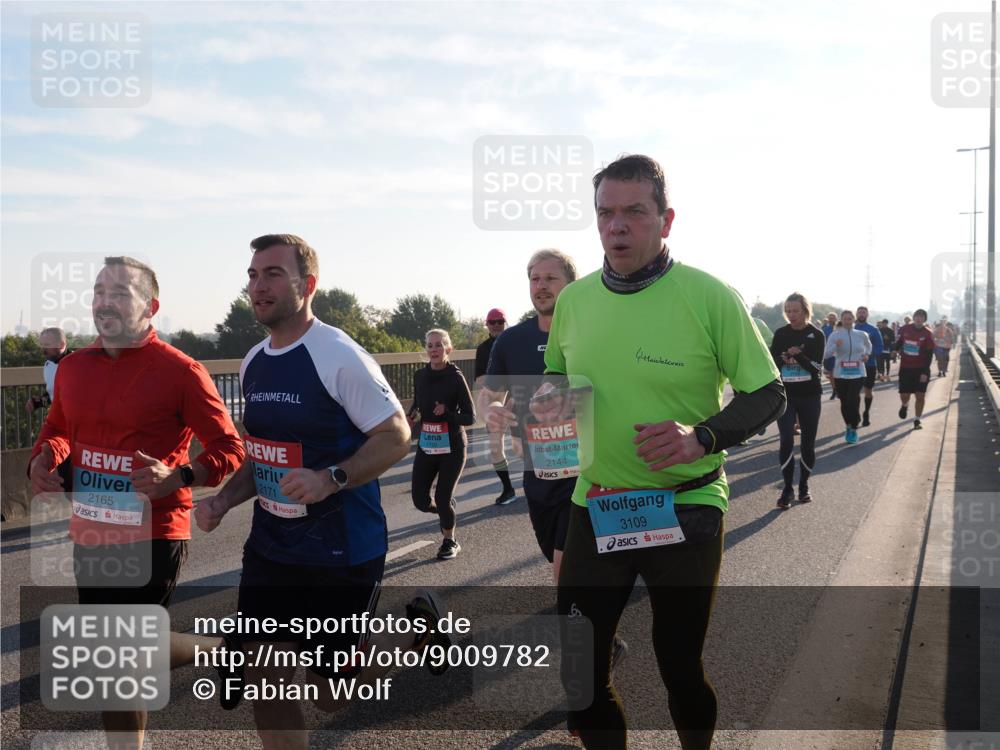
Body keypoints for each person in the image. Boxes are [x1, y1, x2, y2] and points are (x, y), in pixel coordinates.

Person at [536, 154, 785, 750]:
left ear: (665, 220)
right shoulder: (573, 301)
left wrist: (699, 437)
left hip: (685, 503)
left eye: (633, 213)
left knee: (678, 665)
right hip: (596, 505)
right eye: (605, 214)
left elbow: (768, 393)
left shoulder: (708, 295)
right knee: (582, 673)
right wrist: (531, 409)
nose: (616, 227)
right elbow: (557, 384)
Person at [194, 235, 452, 747]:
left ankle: (417, 631)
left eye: (272, 274)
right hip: (272, 546)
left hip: (343, 548)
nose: (257, 285)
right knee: (267, 681)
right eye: (252, 274)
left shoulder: (338, 355)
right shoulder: (253, 362)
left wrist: (329, 478)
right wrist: (224, 500)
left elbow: (397, 434)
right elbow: (262, 453)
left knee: (330, 693)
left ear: (306, 285)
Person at [28, 256, 246, 750]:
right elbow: (58, 430)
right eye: (99, 290)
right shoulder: (74, 368)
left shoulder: (181, 371)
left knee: (120, 649)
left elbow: (230, 449)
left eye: (120, 293)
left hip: (153, 529)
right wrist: (44, 458)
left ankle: (219, 648)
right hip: (92, 529)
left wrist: (180, 475)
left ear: (151, 307)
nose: (105, 301)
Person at [408, 328, 476, 559]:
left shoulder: (456, 378)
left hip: (453, 448)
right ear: (426, 349)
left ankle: (450, 540)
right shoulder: (420, 375)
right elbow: (418, 404)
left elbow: (470, 417)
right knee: (420, 500)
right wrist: (412, 415)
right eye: (430, 345)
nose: (434, 349)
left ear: (448, 349)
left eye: (439, 345)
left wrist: (447, 412)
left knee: (442, 497)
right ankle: (445, 510)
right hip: (428, 445)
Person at [770, 293, 825, 508]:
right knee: (786, 440)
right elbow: (772, 364)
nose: (791, 315)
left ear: (805, 311)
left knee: (808, 443)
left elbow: (816, 369)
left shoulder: (816, 334)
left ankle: (803, 486)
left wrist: (799, 356)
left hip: (810, 395)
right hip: (787, 396)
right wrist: (783, 358)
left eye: (796, 311)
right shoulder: (781, 334)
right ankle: (787, 489)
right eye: (788, 311)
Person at [475, 308, 516, 505]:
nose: (497, 325)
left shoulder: (515, 341)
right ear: (487, 325)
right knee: (494, 447)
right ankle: (508, 488)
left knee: (527, 445)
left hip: (520, 396)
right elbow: (481, 380)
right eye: (493, 322)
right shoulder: (483, 349)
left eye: (500, 321)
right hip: (496, 399)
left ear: (506, 322)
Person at [26, 327, 74, 491]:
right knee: (67, 477)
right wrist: (38, 402)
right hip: (59, 428)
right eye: (42, 344)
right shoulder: (48, 366)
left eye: (47, 344)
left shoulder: (78, 365)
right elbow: (52, 395)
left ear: (61, 344)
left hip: (81, 428)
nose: (43, 349)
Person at [823, 310, 872, 444]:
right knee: (844, 401)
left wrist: (867, 355)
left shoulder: (862, 335)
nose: (847, 321)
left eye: (850, 319)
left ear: (853, 320)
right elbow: (826, 354)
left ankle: (854, 426)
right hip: (841, 374)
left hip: (858, 372)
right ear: (841, 320)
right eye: (845, 319)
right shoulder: (835, 335)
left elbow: (869, 347)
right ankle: (849, 425)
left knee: (852, 398)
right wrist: (835, 346)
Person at [894, 308, 935, 429]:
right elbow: (900, 341)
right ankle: (905, 405)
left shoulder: (928, 333)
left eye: (921, 317)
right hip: (906, 367)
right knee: (904, 394)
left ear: (924, 319)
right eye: (917, 316)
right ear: (914, 317)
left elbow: (929, 355)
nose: (918, 318)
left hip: (921, 368)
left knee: (920, 396)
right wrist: (895, 349)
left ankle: (917, 420)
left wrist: (924, 372)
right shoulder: (906, 329)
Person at [854, 306, 884, 427]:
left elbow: (879, 347)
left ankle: (866, 412)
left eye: (864, 312)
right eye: (859, 312)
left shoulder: (873, 329)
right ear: (856, 314)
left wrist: (868, 354)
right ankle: (856, 415)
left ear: (867, 315)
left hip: (869, 365)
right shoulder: (851, 328)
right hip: (853, 366)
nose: (861, 314)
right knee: (855, 392)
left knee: (868, 391)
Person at [821, 312, 838, 400]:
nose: (832, 319)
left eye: (833, 318)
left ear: (836, 319)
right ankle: (834, 389)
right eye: (830, 318)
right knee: (831, 373)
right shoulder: (824, 329)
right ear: (828, 319)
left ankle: (839, 389)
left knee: (838, 372)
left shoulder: (840, 328)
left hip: (839, 353)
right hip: (829, 353)